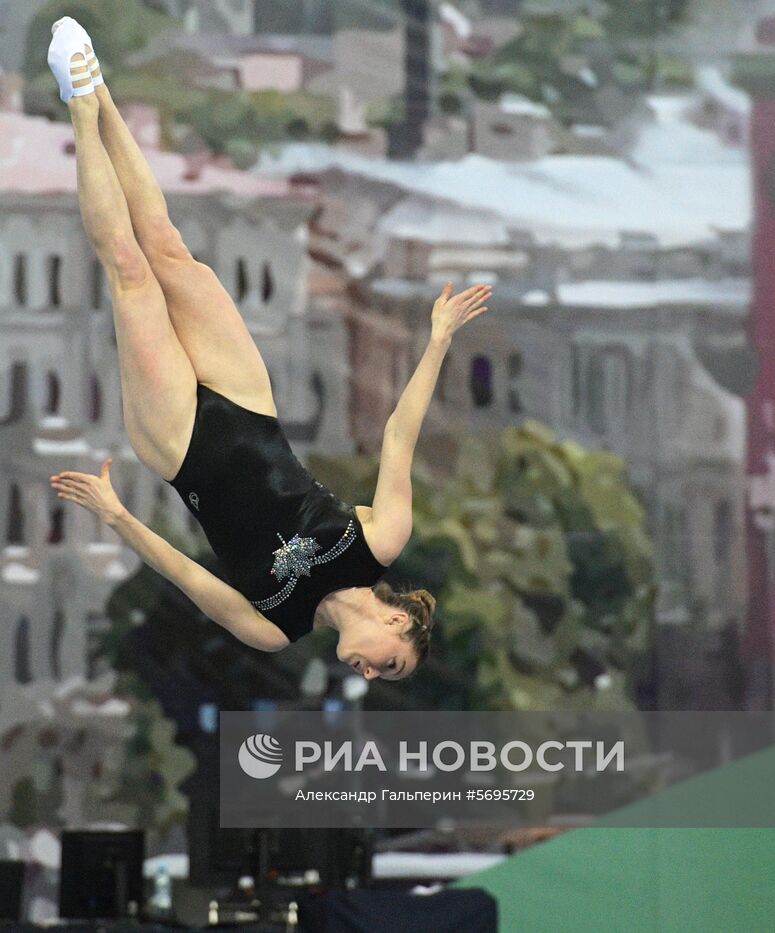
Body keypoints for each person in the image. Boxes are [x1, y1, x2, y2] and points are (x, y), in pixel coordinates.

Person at [45, 18, 490, 682]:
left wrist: (117, 516)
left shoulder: (275, 629)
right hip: (249, 405)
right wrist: (438, 340)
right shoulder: (381, 540)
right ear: (398, 622)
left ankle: (79, 111)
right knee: (167, 248)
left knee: (132, 275)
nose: (369, 672)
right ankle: (99, 91)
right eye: (388, 666)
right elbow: (400, 433)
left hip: (183, 447)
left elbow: (187, 574)